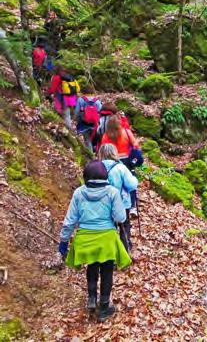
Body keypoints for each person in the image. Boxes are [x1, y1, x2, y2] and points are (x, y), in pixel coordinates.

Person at [58, 160, 131, 322]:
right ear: (104, 176)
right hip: (107, 238)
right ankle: (104, 307)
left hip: (85, 238)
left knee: (92, 266)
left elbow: (70, 221)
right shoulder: (112, 192)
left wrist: (63, 242)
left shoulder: (78, 193)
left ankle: (91, 298)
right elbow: (121, 217)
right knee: (106, 271)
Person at [98, 143, 139, 252]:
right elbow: (131, 185)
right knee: (124, 227)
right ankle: (124, 253)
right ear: (114, 153)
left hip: (103, 203)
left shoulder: (97, 167)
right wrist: (134, 179)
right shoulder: (121, 168)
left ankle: (108, 253)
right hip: (122, 202)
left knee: (107, 228)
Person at [100, 115, 142, 216]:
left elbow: (103, 149)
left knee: (114, 182)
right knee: (129, 182)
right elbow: (135, 144)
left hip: (112, 161)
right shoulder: (126, 132)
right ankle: (132, 206)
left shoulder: (105, 136)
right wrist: (138, 143)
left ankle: (114, 203)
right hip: (127, 160)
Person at [75, 87, 102, 152]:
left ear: (83, 92)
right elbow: (100, 112)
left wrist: (77, 121)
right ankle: (96, 152)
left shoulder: (80, 100)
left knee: (87, 140)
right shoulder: (97, 101)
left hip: (84, 123)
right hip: (95, 124)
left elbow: (77, 112)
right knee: (95, 139)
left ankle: (91, 155)